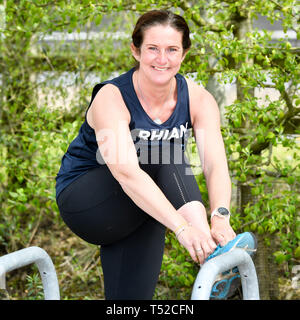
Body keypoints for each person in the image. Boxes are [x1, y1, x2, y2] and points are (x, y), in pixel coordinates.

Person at [55, 9, 238, 300]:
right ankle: (210, 251)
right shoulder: (112, 98)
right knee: (163, 152)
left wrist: (220, 217)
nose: (162, 59)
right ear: (135, 51)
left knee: (130, 302)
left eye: (172, 49)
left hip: (145, 203)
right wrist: (183, 228)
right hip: (87, 201)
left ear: (184, 54)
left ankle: (209, 246)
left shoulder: (199, 100)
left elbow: (215, 165)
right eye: (152, 48)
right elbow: (127, 173)